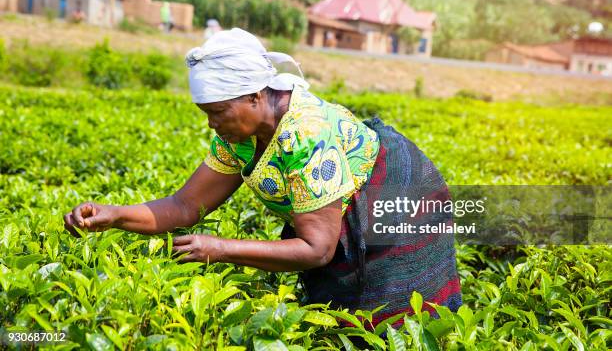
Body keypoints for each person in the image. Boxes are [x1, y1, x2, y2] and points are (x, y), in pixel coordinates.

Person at [64, 28, 462, 331]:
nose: (212, 123)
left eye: (218, 111)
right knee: (337, 317)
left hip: (394, 203)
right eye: (206, 112)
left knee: (393, 319)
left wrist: (220, 248)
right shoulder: (236, 137)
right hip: (337, 218)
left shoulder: (305, 135)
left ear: (255, 96)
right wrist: (113, 215)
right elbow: (184, 207)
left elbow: (316, 248)